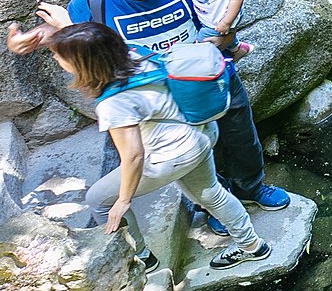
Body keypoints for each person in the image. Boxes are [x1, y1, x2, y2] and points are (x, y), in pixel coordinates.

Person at [6, 0, 289, 227]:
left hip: (208, 74)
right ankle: (216, 206)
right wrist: (31, 38)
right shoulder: (91, 0)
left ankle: (251, 187)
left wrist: (224, 34)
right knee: (195, 151)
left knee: (240, 133)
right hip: (158, 91)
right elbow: (77, 37)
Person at [48, 22, 271, 271]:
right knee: (211, 193)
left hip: (174, 153)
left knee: (100, 199)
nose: (56, 58)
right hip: (200, 131)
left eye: (60, 55)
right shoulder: (133, 53)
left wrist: (123, 200)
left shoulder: (114, 103)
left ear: (82, 63)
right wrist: (52, 32)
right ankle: (253, 246)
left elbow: (133, 156)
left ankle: (141, 259)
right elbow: (92, 41)